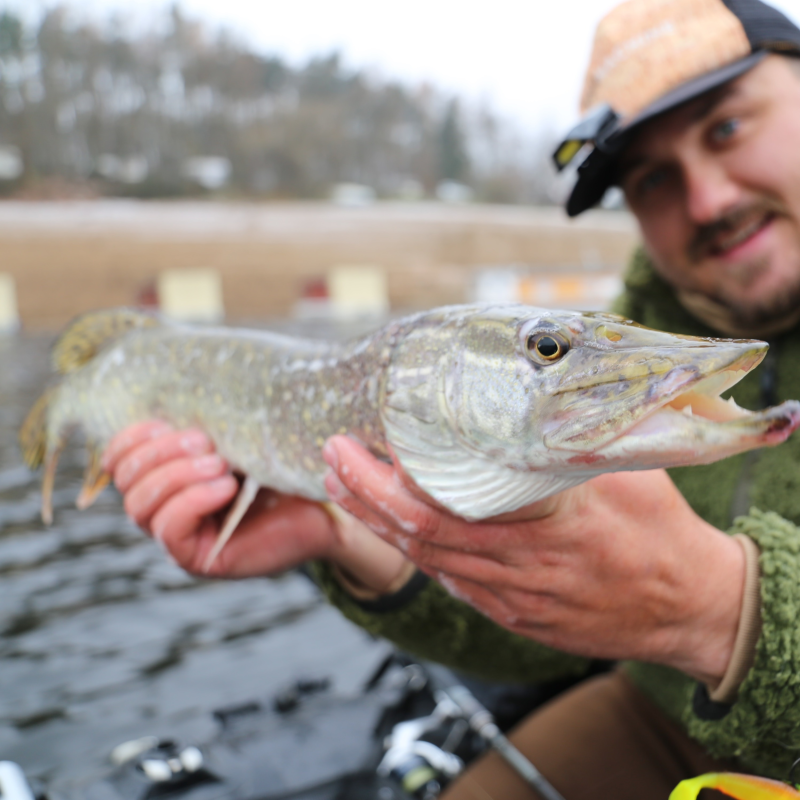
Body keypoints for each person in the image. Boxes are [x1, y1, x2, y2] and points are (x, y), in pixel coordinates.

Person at [101, 1, 800, 797]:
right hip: (665, 705)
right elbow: (559, 644)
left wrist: (724, 612)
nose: (707, 201)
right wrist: (358, 539)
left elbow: (676, 612)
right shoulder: (637, 331)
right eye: (651, 176)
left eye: (727, 128)